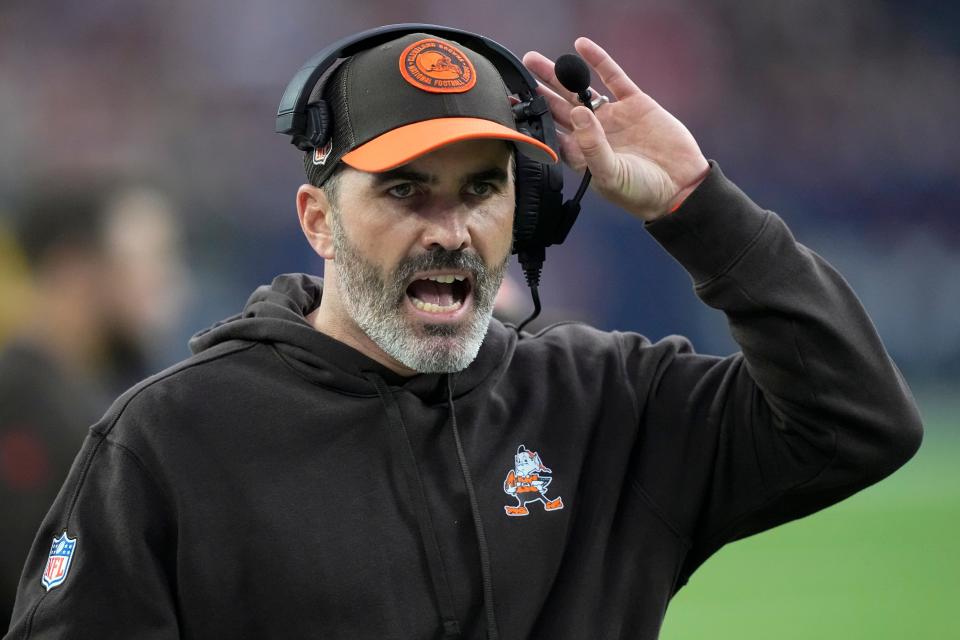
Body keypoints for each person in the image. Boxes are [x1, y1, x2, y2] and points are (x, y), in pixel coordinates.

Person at [5, 28, 922, 640]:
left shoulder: (607, 404)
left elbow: (859, 421)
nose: (450, 228)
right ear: (317, 220)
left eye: (483, 190)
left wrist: (697, 207)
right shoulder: (171, 439)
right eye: (405, 191)